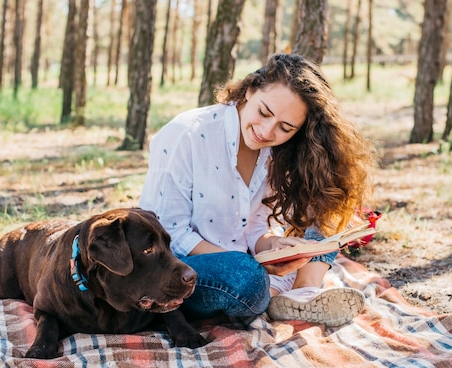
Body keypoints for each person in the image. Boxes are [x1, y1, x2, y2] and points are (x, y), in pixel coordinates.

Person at [139, 53, 378, 327]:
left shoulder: (273, 153)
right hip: (180, 271)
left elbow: (252, 226)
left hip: (247, 261)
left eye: (285, 127)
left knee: (324, 218)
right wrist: (253, 262)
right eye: (264, 112)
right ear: (250, 90)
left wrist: (272, 245)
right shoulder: (187, 135)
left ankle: (300, 293)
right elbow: (169, 233)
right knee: (244, 276)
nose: (266, 131)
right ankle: (276, 293)